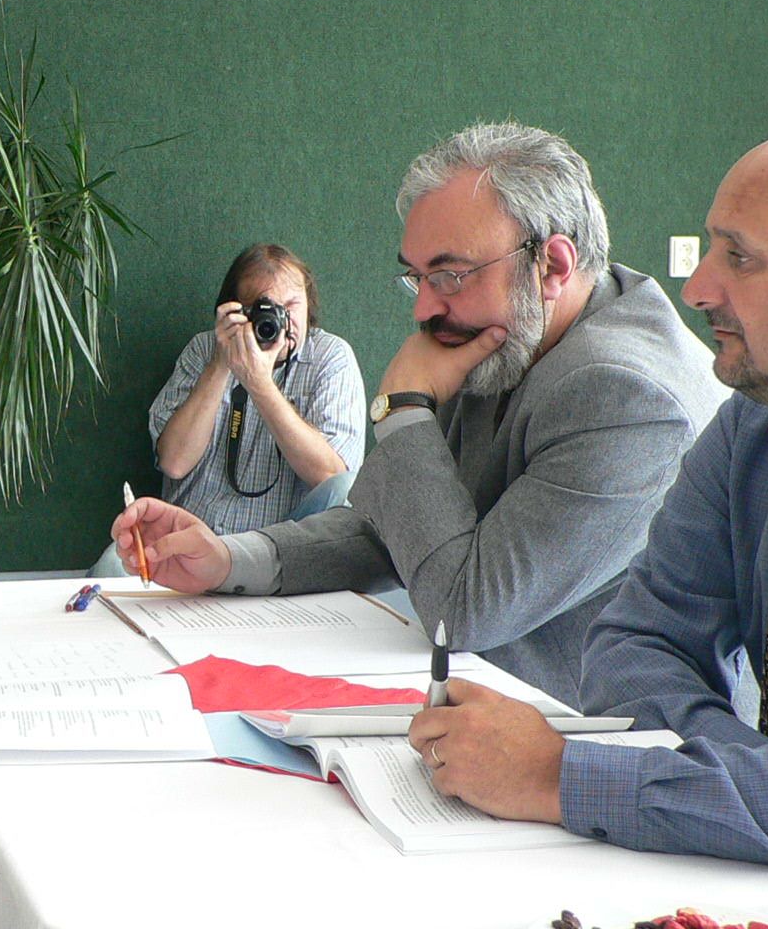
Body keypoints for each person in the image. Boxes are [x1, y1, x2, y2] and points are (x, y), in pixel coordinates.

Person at [407, 128, 768, 877]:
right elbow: (631, 643)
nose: (698, 287)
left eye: (740, 257)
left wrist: (561, 778)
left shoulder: (656, 393)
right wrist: (765, 787)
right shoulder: (755, 425)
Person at [112, 122, 728, 705]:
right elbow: (392, 529)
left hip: (602, 744)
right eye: (418, 278)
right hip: (481, 706)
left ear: (553, 267)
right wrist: (226, 559)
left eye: (449, 275)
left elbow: (462, 611)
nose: (424, 310)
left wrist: (403, 408)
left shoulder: (628, 395)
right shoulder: (512, 333)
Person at [90, 243, 367, 575]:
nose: (279, 320)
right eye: (263, 308)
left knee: (346, 485)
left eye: (292, 305)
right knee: (111, 567)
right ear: (233, 310)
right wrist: (221, 364)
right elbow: (174, 462)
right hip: (190, 540)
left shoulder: (331, 358)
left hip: (276, 552)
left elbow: (332, 477)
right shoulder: (203, 350)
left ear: (309, 305)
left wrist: (259, 383)